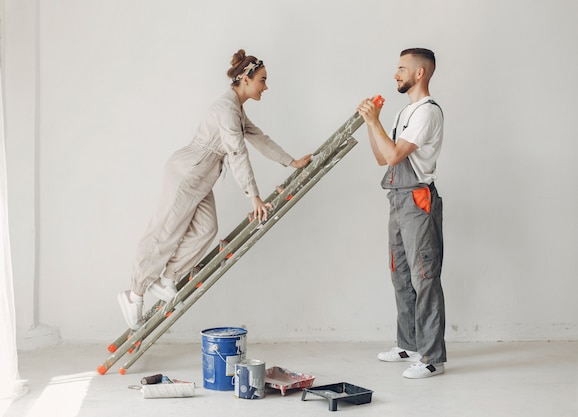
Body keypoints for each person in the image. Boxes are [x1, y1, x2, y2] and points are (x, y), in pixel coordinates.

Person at [118, 49, 312, 330]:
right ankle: (134, 294)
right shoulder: (225, 110)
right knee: (164, 234)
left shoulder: (237, 109)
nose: (266, 86)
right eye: (263, 80)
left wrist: (291, 161)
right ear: (246, 79)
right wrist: (254, 197)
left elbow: (259, 138)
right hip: (187, 173)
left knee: (206, 229)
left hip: (203, 176)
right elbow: (236, 152)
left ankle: (167, 280)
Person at [356, 48, 446, 379]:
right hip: (397, 197)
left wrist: (374, 120)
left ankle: (432, 357)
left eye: (401, 68)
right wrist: (371, 122)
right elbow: (382, 159)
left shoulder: (427, 113)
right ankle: (408, 343)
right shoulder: (402, 113)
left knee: (424, 277)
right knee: (401, 274)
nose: (396, 74)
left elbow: (394, 155)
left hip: (418, 201)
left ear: (419, 74)